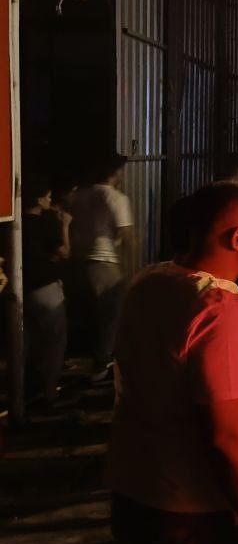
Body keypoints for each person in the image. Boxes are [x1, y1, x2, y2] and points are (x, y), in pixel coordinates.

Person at [106, 181, 238, 544]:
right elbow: (225, 435)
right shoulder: (216, 307)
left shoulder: (149, 281)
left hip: (134, 493)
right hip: (190, 513)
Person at [69, 152, 135, 382]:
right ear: (115, 172)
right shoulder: (115, 198)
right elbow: (127, 236)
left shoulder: (77, 195)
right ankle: (101, 366)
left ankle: (82, 361)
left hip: (77, 263)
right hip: (104, 263)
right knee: (112, 318)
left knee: (88, 316)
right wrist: (132, 269)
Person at [22, 177, 71, 406]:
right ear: (39, 199)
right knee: (54, 341)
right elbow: (65, 253)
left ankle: (25, 388)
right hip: (46, 290)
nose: (50, 200)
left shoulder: (14, 225)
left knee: (27, 341)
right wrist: (65, 226)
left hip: (21, 289)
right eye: (48, 197)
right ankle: (50, 390)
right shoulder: (45, 223)